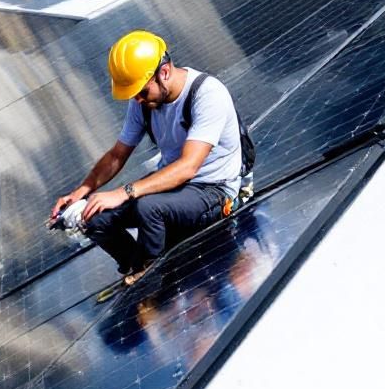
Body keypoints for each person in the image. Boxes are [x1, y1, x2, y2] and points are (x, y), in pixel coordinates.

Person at [49, 30, 244, 288]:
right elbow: (118, 154)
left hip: (212, 190)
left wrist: (125, 191)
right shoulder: (143, 101)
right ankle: (135, 266)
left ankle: (152, 270)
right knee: (93, 214)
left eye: (141, 92)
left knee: (149, 208)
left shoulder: (207, 95)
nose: (138, 99)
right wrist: (81, 192)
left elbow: (188, 167)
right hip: (172, 185)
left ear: (163, 72)